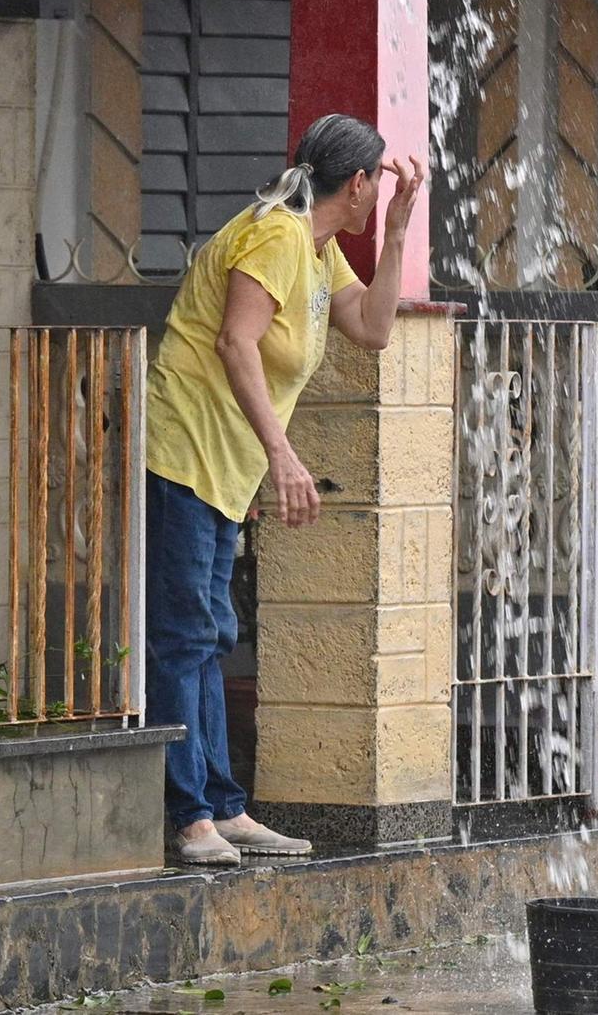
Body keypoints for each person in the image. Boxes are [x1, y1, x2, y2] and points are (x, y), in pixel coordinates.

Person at [142, 113, 428, 867]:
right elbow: (235, 340)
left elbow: (372, 328)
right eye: (380, 189)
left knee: (212, 632)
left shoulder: (317, 245)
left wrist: (396, 233)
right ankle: (190, 815)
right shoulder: (274, 235)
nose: (378, 195)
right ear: (358, 182)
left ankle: (223, 806)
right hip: (188, 449)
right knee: (184, 635)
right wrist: (285, 455)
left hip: (224, 464)